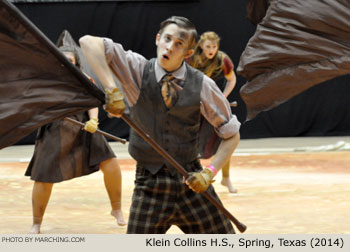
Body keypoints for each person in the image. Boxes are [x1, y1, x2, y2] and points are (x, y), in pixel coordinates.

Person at [80, 16, 241, 234]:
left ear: (189, 53)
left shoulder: (203, 85)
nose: (170, 47)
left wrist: (209, 173)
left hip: (191, 180)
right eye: (167, 39)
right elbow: (88, 42)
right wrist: (112, 89)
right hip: (149, 184)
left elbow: (232, 134)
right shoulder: (136, 69)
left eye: (179, 44)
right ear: (158, 39)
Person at [25, 46, 126, 234]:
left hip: (84, 127)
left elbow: (93, 103)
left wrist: (94, 120)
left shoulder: (84, 79)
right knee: (43, 176)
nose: (66, 64)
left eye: (70, 61)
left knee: (111, 163)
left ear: (76, 63)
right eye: (63, 60)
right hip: (54, 128)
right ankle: (37, 222)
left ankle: (117, 208)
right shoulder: (46, 82)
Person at [187, 31, 237, 193]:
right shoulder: (191, 58)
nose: (211, 50)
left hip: (213, 106)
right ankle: (191, 177)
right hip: (193, 105)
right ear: (201, 45)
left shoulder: (222, 59)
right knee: (189, 142)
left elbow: (232, 79)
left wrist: (222, 97)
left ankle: (226, 178)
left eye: (214, 46)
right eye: (208, 46)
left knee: (226, 139)